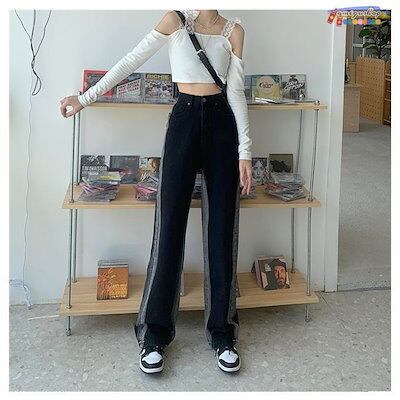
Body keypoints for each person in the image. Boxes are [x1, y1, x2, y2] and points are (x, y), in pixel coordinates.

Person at [60, 9, 252, 374]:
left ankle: (223, 333)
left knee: (222, 230)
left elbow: (236, 91)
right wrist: (85, 97)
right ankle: (154, 334)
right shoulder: (175, 20)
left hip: (222, 125)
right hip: (183, 119)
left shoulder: (235, 31)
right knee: (168, 229)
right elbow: (132, 60)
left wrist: (245, 151)